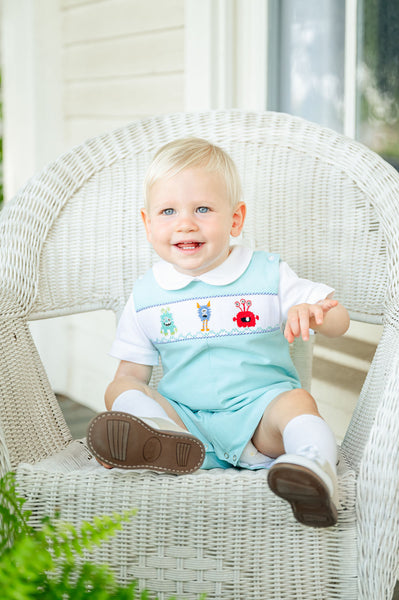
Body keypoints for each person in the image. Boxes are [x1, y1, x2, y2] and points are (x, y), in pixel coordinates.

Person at [87, 137, 350, 528]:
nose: (185, 223)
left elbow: (339, 321)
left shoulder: (266, 273)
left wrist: (313, 312)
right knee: (118, 387)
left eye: (203, 208)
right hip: (185, 428)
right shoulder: (145, 295)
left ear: (235, 219)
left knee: (296, 401)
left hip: (260, 418)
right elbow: (131, 375)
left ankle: (311, 466)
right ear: (147, 223)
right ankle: (151, 437)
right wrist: (132, 410)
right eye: (168, 211)